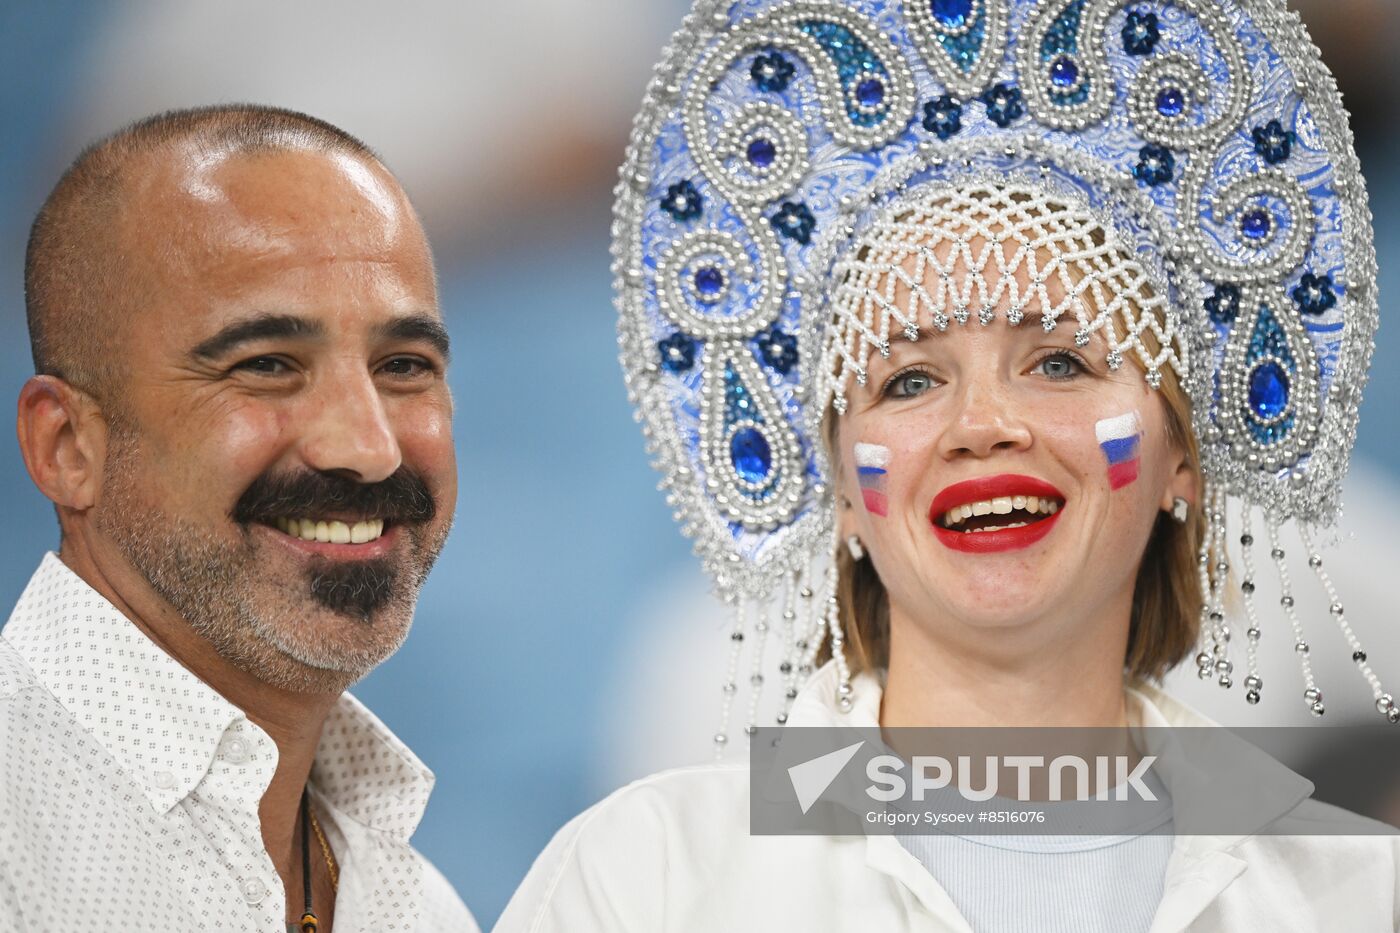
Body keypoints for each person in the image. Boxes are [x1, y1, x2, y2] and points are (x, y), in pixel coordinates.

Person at [496, 0, 1400, 930]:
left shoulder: (1356, 893)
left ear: (1184, 457)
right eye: (910, 380)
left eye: (1061, 362)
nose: (982, 424)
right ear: (841, 490)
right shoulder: (645, 881)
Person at [0, 105, 477, 932]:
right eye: (266, 365)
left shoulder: (418, 906)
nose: (368, 449)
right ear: (67, 445)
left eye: (403, 365)